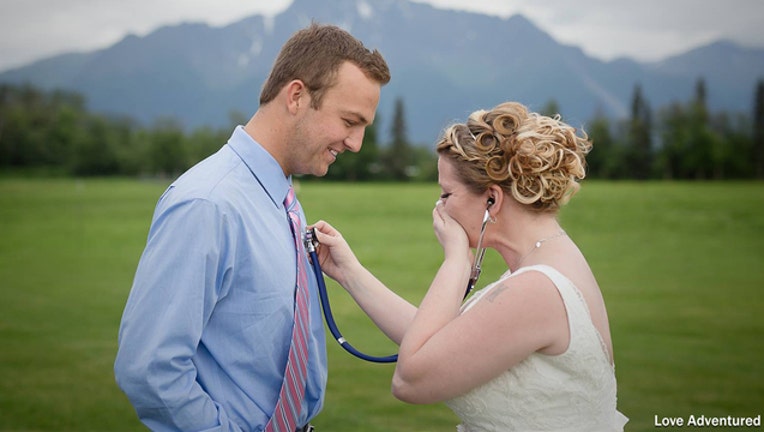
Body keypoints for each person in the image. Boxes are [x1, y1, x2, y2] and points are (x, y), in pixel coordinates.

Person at [114, 23, 390, 431]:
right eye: (350, 121)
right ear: (296, 96)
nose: (356, 143)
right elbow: (149, 369)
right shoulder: (208, 204)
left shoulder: (280, 197)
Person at [312, 101, 628, 431]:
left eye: (446, 194)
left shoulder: (537, 289)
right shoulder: (543, 265)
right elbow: (441, 343)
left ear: (492, 199)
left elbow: (410, 379)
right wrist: (349, 272)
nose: (439, 208)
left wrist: (455, 261)